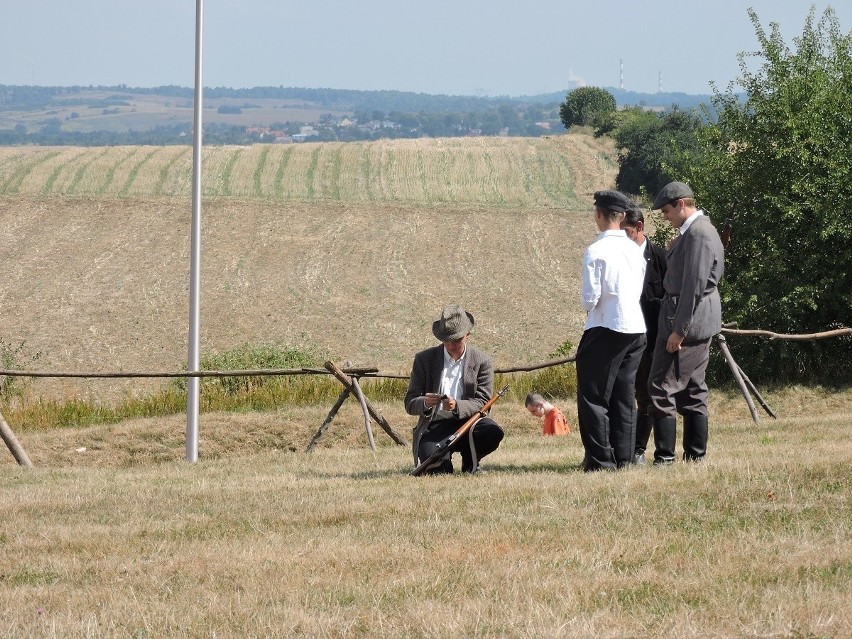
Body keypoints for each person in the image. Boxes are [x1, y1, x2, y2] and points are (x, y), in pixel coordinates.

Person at [647, 181, 725, 463]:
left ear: (681, 204)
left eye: (667, 210)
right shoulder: (692, 233)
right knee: (692, 389)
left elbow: (693, 285)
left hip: (685, 320)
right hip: (691, 316)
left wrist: (679, 330)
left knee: (660, 387)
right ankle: (694, 456)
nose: (665, 216)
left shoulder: (699, 234)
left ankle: (665, 458)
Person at [575, 190, 647, 471]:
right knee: (624, 396)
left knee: (593, 396)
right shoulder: (634, 248)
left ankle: (600, 459)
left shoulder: (596, 250)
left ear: (599, 215)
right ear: (624, 217)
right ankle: (624, 457)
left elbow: (589, 299)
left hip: (606, 326)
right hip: (635, 328)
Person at [405, 304, 505, 474]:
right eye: (446, 339)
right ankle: (441, 461)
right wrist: (426, 403)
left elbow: (483, 402)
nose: (451, 345)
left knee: (492, 432)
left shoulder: (483, 361)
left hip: (469, 423)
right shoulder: (424, 359)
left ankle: (470, 460)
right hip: (435, 425)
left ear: (468, 335)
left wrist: (457, 406)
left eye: (456, 339)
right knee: (439, 472)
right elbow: (410, 403)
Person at [621, 204, 668, 464]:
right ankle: (621, 451)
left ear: (639, 227)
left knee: (647, 396)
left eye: (626, 231)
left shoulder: (660, 259)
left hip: (652, 340)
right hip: (623, 338)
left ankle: (638, 450)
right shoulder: (618, 257)